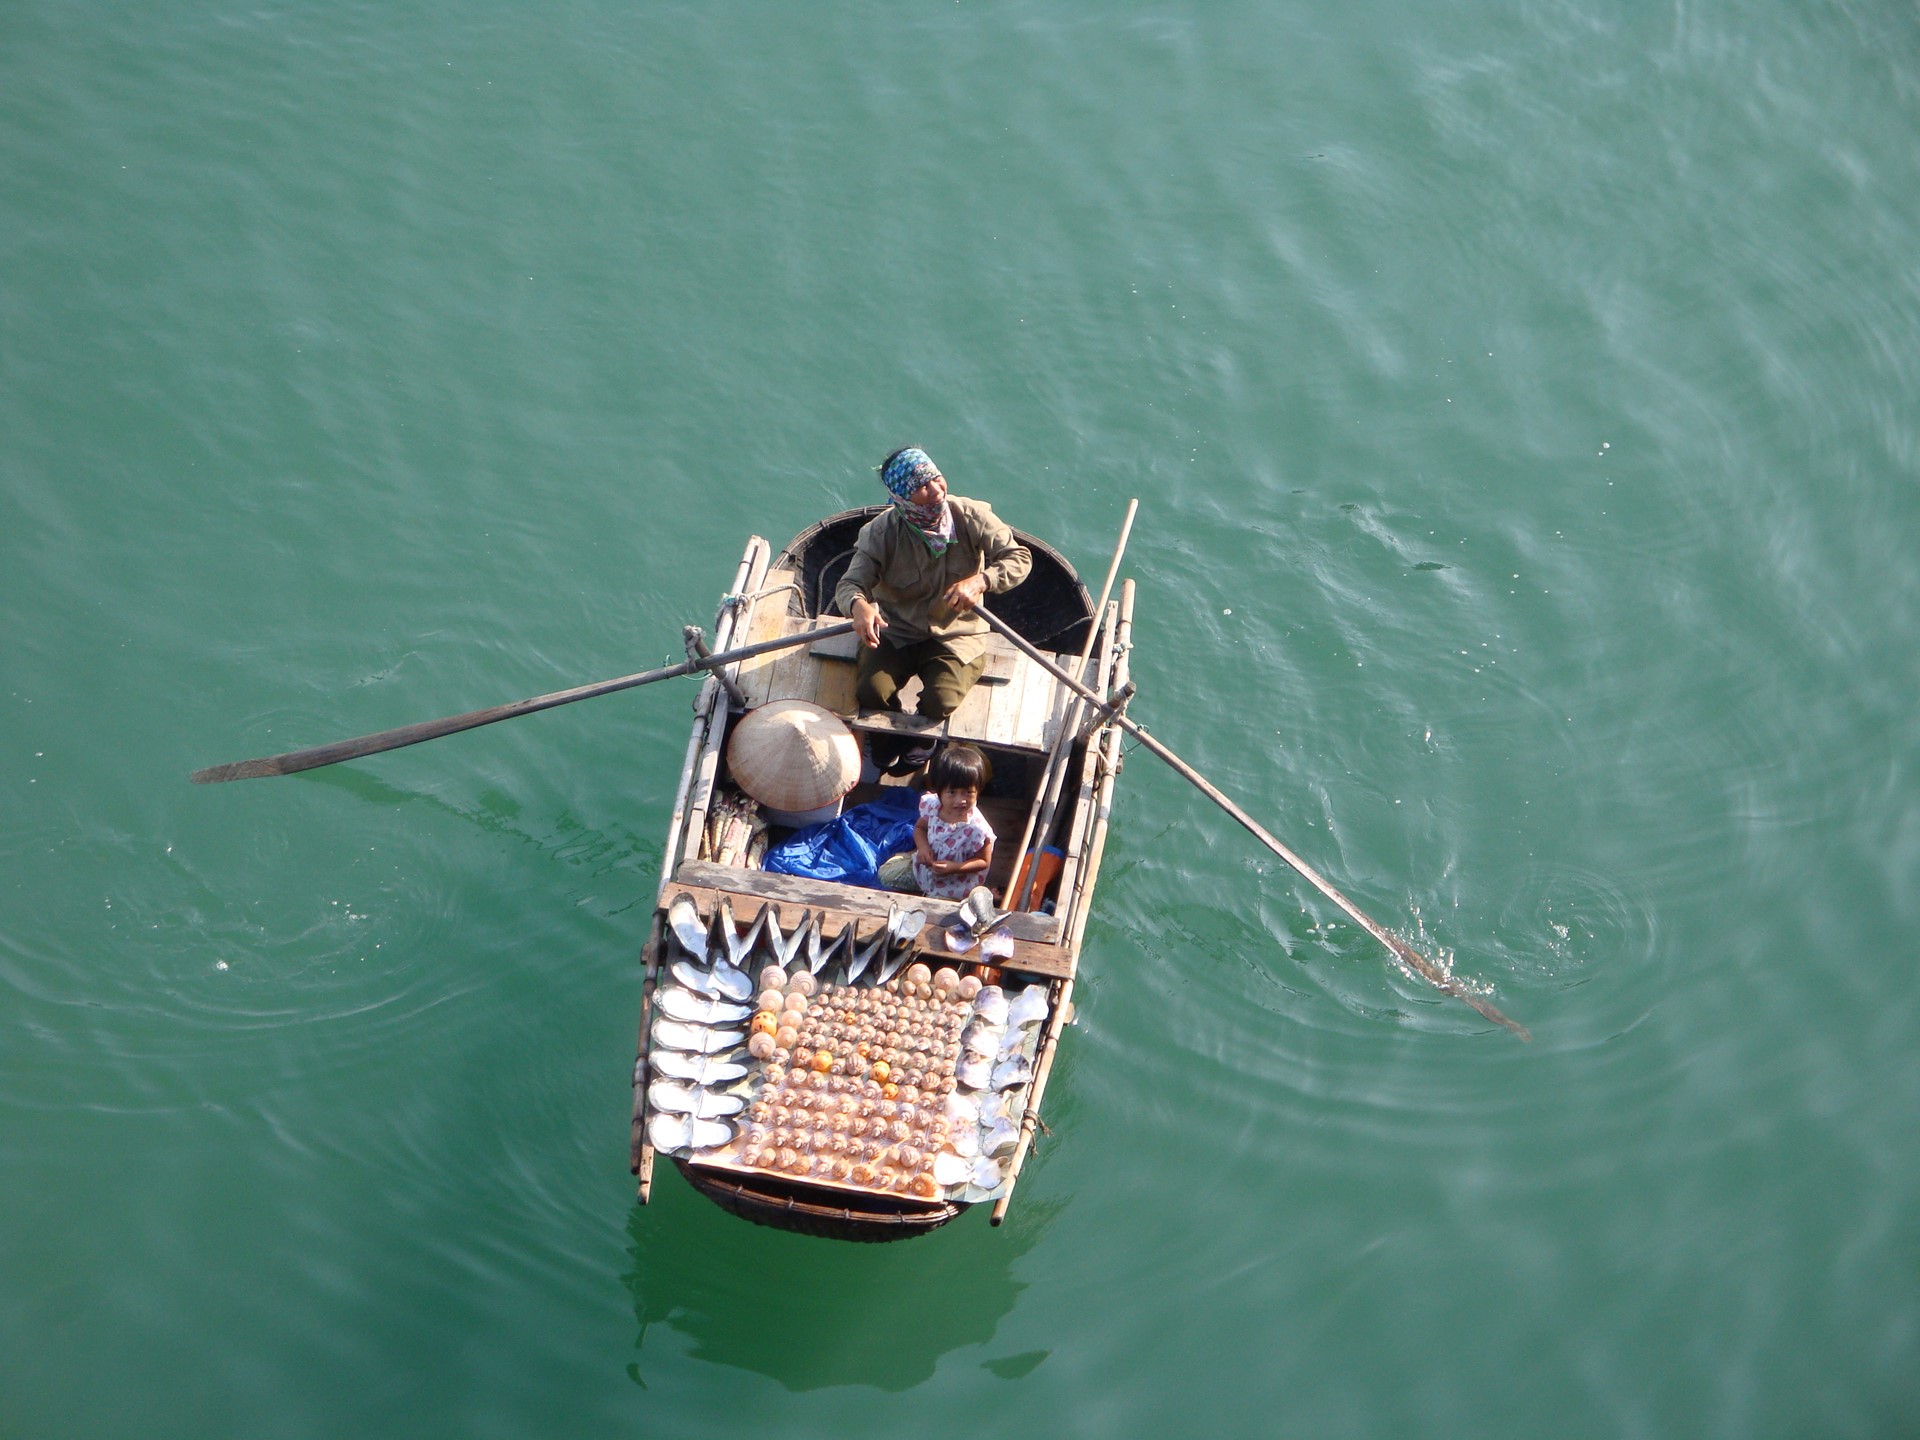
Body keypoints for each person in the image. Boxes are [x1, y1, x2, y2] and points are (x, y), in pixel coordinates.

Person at [834, 447, 1032, 728]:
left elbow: (1019, 558)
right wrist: (858, 605)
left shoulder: (972, 516)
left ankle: (920, 748)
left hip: (957, 633)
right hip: (896, 631)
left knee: (941, 702)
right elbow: (850, 583)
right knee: (871, 692)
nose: (936, 489)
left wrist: (981, 581)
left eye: (936, 478)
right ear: (903, 497)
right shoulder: (880, 533)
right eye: (922, 486)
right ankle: (886, 740)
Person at [877, 743, 996, 899]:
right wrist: (923, 848)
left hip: (954, 884)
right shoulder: (933, 807)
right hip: (925, 871)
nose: (960, 800)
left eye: (968, 792)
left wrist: (955, 867)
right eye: (952, 793)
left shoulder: (978, 829)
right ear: (939, 791)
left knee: (936, 911)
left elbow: (983, 861)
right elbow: (920, 828)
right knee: (885, 875)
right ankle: (914, 867)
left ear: (978, 791)